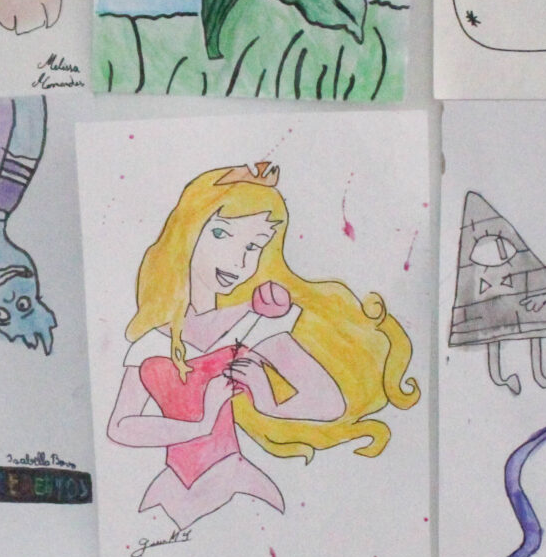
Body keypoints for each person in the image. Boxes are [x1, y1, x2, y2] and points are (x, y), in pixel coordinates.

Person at [105, 162, 420, 535]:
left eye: (253, 246)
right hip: (168, 490)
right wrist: (200, 424)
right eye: (221, 234)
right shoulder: (151, 340)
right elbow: (120, 427)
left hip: (235, 485)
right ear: (187, 231)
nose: (239, 261)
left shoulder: (253, 322)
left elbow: (329, 403)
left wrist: (267, 397)